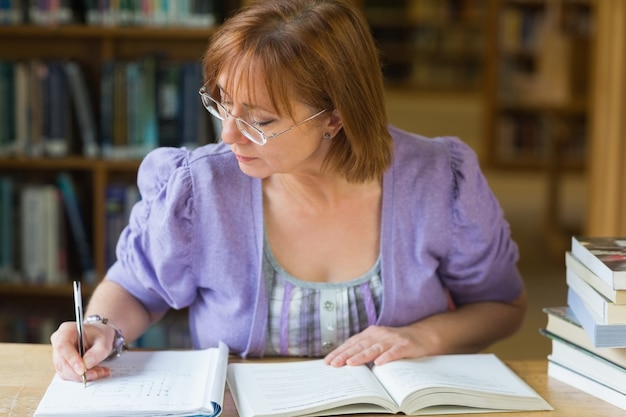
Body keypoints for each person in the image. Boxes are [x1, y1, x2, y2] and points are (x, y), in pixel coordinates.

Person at [51, 0, 527, 383]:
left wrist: (427, 337)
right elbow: (135, 289)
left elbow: (502, 307)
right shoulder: (202, 186)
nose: (228, 137)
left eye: (260, 121)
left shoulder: (440, 178)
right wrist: (100, 328)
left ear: (335, 119)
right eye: (222, 104)